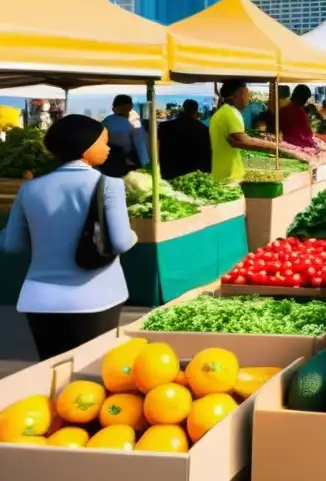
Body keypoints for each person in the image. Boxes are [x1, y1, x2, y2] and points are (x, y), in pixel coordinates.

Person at [1, 115, 138, 360]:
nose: (108, 148)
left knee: (51, 373)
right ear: (85, 147)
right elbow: (119, 241)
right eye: (103, 142)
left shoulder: (30, 188)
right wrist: (134, 235)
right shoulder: (109, 185)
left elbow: (12, 244)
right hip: (96, 296)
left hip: (39, 299)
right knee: (89, 379)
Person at [209, 81, 279, 183]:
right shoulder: (229, 113)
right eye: (246, 94)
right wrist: (277, 147)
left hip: (223, 173)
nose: (248, 98)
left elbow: (238, 142)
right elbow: (245, 141)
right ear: (236, 96)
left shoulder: (223, 112)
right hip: (229, 175)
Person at [157, 99, 211, 179]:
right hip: (193, 174)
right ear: (196, 110)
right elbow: (207, 153)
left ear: (184, 108)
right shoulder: (203, 129)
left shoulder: (166, 126)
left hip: (170, 171)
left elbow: (158, 145)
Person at [99, 95, 149, 177]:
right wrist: (145, 165)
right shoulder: (133, 124)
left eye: (128, 111)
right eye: (125, 111)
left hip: (107, 163)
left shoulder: (105, 122)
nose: (127, 114)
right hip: (122, 162)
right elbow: (141, 147)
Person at [277, 84, 317, 149]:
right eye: (305, 99)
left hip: (285, 142)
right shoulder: (300, 112)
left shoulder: (282, 110)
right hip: (300, 144)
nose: (305, 102)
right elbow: (308, 133)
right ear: (302, 98)